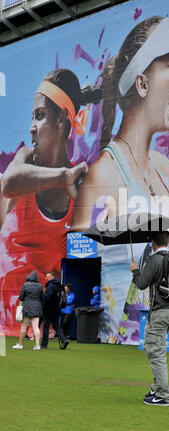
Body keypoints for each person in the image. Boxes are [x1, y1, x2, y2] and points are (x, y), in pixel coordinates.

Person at [71, 15, 169, 344]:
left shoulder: (163, 166)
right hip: (119, 336)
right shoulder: (102, 174)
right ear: (142, 84)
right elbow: (80, 260)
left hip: (164, 325)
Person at [0, 67, 102, 336]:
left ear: (62, 119)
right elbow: (8, 184)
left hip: (36, 326)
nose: (32, 127)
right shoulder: (23, 161)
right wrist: (63, 176)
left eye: (40, 116)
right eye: (32, 117)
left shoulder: (80, 190)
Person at [130, 231, 169, 407]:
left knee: (155, 352)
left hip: (160, 312)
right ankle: (156, 388)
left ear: (153, 242)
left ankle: (163, 395)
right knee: (155, 350)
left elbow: (141, 283)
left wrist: (135, 271)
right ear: (168, 241)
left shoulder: (155, 260)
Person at [12, 270, 44, 351]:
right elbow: (42, 298)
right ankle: (37, 345)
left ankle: (20, 344)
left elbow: (21, 297)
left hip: (27, 306)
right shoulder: (40, 286)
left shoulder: (25, 285)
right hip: (37, 306)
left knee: (24, 326)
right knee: (36, 327)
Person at [41, 271, 69, 350]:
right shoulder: (60, 285)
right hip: (57, 309)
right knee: (56, 326)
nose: (46, 278)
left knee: (46, 326)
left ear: (52, 277)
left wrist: (44, 307)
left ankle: (44, 345)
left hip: (49, 309)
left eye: (48, 277)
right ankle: (64, 339)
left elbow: (47, 298)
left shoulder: (51, 286)